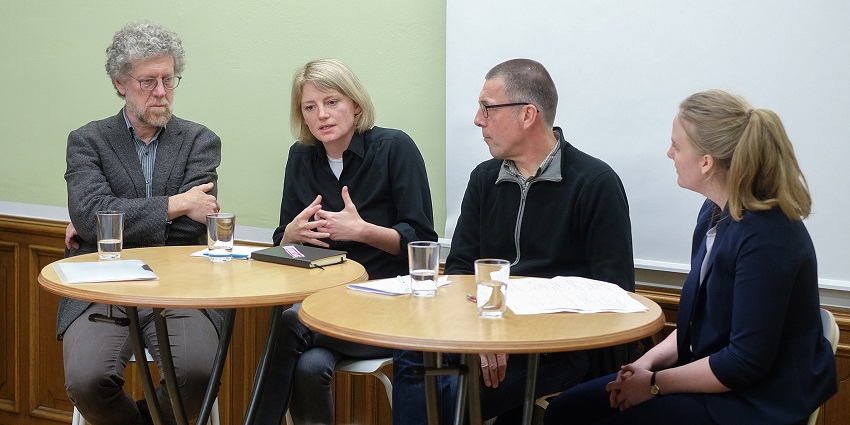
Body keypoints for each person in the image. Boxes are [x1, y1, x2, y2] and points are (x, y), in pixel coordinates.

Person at [543, 89, 838, 425]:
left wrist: (654, 385)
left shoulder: (768, 239)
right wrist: (646, 365)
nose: (669, 153)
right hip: (716, 377)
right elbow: (697, 324)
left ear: (706, 162)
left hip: (756, 400)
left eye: (677, 146)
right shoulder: (713, 212)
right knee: (564, 411)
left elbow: (744, 363)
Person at [392, 58, 635, 424]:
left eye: (487, 108)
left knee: (443, 404)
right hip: (483, 333)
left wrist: (511, 332)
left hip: (559, 348)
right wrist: (484, 333)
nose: (477, 119)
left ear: (527, 115)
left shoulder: (595, 183)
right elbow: (459, 271)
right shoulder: (483, 179)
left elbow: (614, 291)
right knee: (413, 352)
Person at [252, 58, 438, 424]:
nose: (322, 114)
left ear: (356, 104)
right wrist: (290, 235)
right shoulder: (300, 157)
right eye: (310, 107)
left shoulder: (394, 148)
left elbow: (424, 243)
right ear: (302, 116)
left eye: (332, 101)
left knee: (291, 322)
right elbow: (282, 242)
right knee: (309, 366)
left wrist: (362, 231)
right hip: (325, 306)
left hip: (390, 310)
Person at [60, 21, 223, 425]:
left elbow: (189, 231)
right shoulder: (87, 140)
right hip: (102, 286)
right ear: (120, 82)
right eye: (148, 81)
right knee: (86, 380)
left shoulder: (199, 141)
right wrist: (177, 203)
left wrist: (112, 220)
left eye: (169, 79)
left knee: (200, 373)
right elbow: (89, 215)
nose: (162, 92)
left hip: (181, 287)